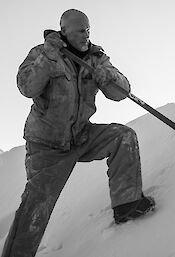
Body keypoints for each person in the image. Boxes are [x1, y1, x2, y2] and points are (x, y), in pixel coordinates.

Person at [1, 9, 155, 257]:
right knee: (37, 204)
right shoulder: (44, 53)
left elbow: (122, 92)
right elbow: (26, 86)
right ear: (64, 31)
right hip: (46, 145)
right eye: (80, 30)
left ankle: (127, 204)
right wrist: (48, 58)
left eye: (88, 29)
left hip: (81, 136)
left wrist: (109, 77)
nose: (86, 35)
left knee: (122, 137)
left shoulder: (96, 58)